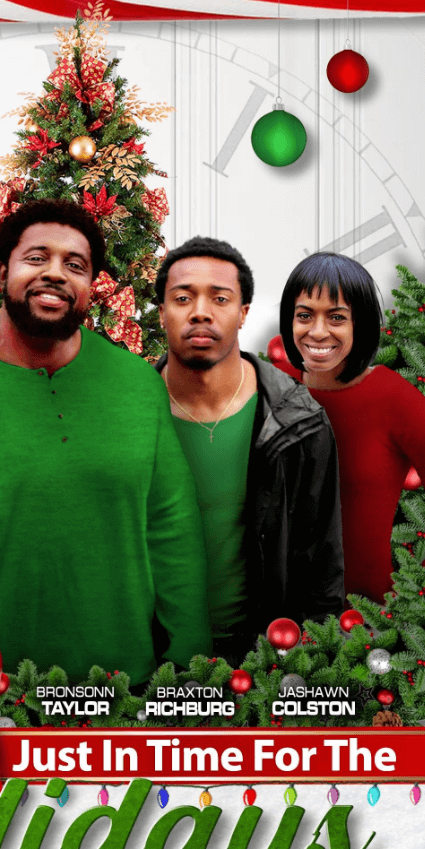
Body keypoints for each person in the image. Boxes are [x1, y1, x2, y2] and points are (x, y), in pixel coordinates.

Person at [0, 199, 211, 682]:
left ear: (91, 288)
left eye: (75, 265)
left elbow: (172, 527)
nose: (55, 273)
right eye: (36, 258)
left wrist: (190, 660)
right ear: (1, 269)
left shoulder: (137, 384)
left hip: (121, 691)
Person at [155, 236, 344, 661]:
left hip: (260, 657)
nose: (200, 311)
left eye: (219, 298)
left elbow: (322, 564)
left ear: (242, 314)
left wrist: (314, 667)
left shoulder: (299, 422)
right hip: (150, 659)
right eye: (183, 297)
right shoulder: (127, 417)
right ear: (163, 313)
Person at [279, 251, 425, 604]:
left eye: (336, 317)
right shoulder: (272, 388)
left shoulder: (392, 396)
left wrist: (420, 586)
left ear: (360, 323)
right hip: (275, 624)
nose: (318, 332)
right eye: (304, 315)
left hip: (367, 623)